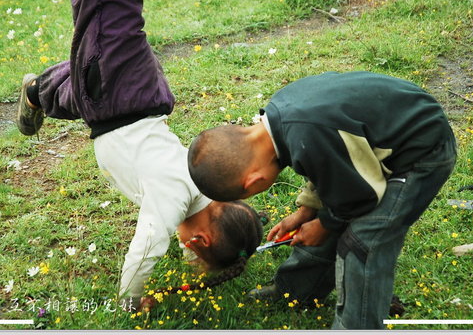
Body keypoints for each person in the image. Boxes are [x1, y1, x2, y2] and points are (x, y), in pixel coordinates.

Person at [15, 0, 262, 311]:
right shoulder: (175, 199)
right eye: (193, 255)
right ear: (199, 240)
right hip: (123, 98)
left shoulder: (204, 191)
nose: (186, 254)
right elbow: (146, 247)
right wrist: (130, 301)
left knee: (85, 76)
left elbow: (206, 232)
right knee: (109, 1)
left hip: (126, 102)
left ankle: (37, 92)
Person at [187, 71, 457, 329]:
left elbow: (360, 198)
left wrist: (325, 224)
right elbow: (328, 164)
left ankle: (357, 325)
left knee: (364, 238)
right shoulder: (282, 116)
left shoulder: (307, 133)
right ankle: (295, 291)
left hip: (422, 154)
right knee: (324, 215)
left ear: (253, 182)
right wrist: (306, 212)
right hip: (385, 139)